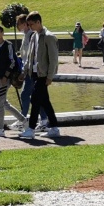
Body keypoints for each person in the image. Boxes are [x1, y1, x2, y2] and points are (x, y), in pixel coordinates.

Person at [23, 10, 62, 139]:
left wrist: (50, 76)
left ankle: (31, 129)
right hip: (34, 73)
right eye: (28, 24)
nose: (30, 27)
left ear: (38, 22)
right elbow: (31, 56)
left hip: (43, 74)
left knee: (35, 100)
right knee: (44, 101)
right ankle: (54, 127)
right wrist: (26, 71)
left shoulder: (49, 37)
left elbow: (53, 58)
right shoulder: (34, 36)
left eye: (32, 24)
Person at [0, 23, 28, 136]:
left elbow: (12, 62)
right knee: (4, 103)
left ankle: (0, 128)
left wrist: (5, 76)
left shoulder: (8, 45)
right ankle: (24, 121)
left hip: (4, 79)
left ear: (2, 33)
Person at [16, 13, 36, 118]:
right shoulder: (26, 35)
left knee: (25, 95)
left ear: (24, 24)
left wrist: (24, 70)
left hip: (31, 70)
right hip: (28, 69)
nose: (17, 26)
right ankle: (44, 119)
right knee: (34, 96)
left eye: (18, 23)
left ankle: (23, 118)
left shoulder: (31, 35)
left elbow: (30, 55)